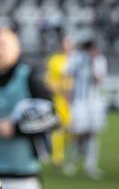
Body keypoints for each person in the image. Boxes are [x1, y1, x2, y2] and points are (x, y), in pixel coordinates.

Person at [0, 27, 57, 189]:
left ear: (17, 49)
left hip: (22, 176)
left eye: (1, 45)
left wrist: (16, 128)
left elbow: (52, 117)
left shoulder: (30, 79)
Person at [64, 39, 107, 179]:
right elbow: (67, 73)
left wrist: (93, 64)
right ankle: (72, 162)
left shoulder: (99, 60)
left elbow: (99, 80)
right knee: (78, 132)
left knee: (93, 133)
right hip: (79, 101)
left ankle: (91, 165)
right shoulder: (76, 58)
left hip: (95, 102)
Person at [44, 34, 73, 168]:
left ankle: (69, 156)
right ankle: (58, 158)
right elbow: (48, 80)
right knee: (59, 129)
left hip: (73, 100)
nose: (67, 46)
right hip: (59, 99)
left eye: (69, 43)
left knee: (72, 130)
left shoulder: (76, 59)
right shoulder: (54, 60)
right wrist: (59, 89)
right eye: (65, 43)